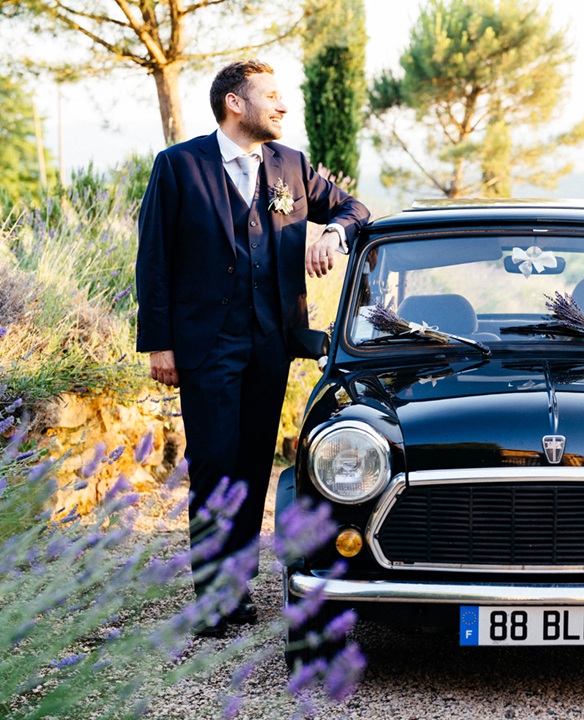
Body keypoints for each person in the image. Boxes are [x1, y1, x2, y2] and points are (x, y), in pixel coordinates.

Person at [136, 59, 370, 636]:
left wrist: (333, 234)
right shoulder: (179, 166)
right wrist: (158, 344)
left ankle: (238, 584)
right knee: (215, 469)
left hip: (271, 342)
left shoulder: (289, 165)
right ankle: (216, 600)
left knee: (252, 469)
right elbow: (154, 259)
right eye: (271, 96)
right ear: (235, 104)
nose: (282, 106)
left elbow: (354, 209)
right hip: (206, 344)